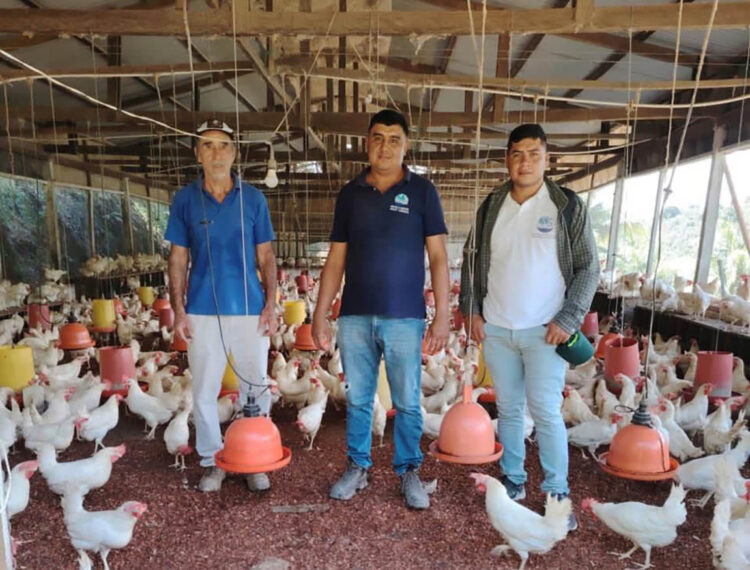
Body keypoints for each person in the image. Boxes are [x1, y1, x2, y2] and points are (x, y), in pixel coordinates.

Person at [459, 123, 598, 529]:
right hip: (497, 328)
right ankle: (514, 480)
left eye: (534, 154)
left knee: (547, 412)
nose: (525, 162)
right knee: (508, 408)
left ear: (546, 159)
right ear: (507, 159)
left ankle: (557, 495)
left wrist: (568, 318)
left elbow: (588, 267)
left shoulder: (566, 206)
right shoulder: (491, 206)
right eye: (517, 154)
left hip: (545, 331)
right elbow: (470, 261)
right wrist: (472, 311)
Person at [311, 109, 450, 510]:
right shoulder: (350, 194)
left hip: (405, 316)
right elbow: (336, 259)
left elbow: (438, 257)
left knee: (406, 401)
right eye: (377, 138)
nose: (385, 147)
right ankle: (358, 466)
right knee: (358, 399)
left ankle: (408, 471)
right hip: (355, 315)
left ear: (406, 146)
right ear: (366, 143)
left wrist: (442, 315)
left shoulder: (423, 192)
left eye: (394, 139)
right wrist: (320, 314)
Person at [165, 119, 278, 493]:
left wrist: (271, 305)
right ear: (197, 153)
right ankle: (213, 460)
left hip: (249, 308)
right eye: (208, 145)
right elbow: (178, 258)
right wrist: (179, 310)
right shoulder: (185, 199)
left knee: (255, 387)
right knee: (204, 389)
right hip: (201, 309)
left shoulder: (253, 199)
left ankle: (255, 457)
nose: (216, 153)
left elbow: (266, 256)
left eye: (224, 145)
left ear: (235, 153)